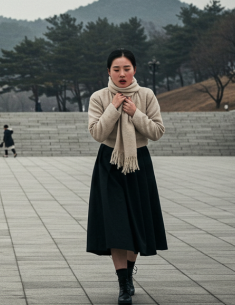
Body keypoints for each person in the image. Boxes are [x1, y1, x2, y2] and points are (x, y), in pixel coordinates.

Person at [86, 49, 167, 304]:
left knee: (136, 224)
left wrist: (135, 113)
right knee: (117, 225)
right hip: (109, 164)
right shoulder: (99, 97)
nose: (122, 74)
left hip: (139, 162)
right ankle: (123, 284)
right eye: (117, 69)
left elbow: (157, 131)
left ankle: (129, 275)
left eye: (127, 68)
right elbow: (97, 133)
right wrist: (113, 108)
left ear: (134, 70)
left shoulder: (146, 95)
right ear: (108, 72)